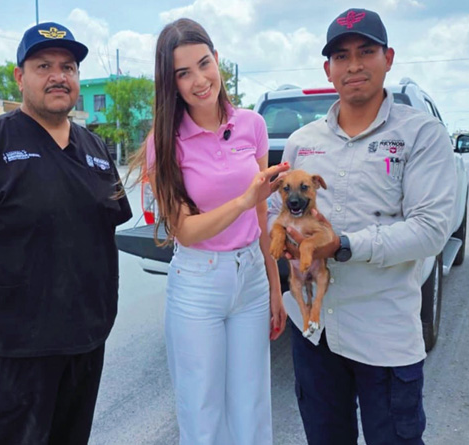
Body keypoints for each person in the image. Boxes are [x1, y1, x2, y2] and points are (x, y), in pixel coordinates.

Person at [0, 22, 131, 445]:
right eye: (43, 66)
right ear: (19, 77)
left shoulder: (95, 149)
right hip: (5, 353)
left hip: (83, 344)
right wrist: (0, 284)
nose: (58, 76)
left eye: (68, 67)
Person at [267, 8, 457, 444]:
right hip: (314, 335)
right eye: (341, 56)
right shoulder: (301, 143)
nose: (353, 65)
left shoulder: (421, 134)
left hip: (383, 334)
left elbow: (431, 229)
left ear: (388, 58)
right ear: (328, 69)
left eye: (366, 51)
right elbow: (278, 211)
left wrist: (344, 245)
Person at [130, 18, 289, 444]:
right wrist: (243, 200)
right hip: (199, 283)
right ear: (171, 83)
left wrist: (274, 286)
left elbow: (261, 216)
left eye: (204, 64)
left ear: (217, 59)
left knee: (252, 408)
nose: (200, 81)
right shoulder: (164, 143)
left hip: (251, 278)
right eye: (183, 73)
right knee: (202, 413)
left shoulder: (252, 125)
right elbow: (185, 230)